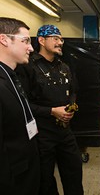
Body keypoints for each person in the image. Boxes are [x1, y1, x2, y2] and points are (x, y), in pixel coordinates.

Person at [16, 25, 83, 195]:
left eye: (61, 39)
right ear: (41, 40)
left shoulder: (64, 67)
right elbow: (23, 104)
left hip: (65, 132)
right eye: (55, 38)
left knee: (74, 174)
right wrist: (52, 111)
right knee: (44, 180)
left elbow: (73, 91)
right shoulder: (27, 67)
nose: (60, 42)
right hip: (42, 135)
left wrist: (71, 107)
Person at [0, 17, 40, 194]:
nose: (31, 48)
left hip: (26, 170)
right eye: (25, 41)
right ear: (4, 40)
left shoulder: (12, 75)